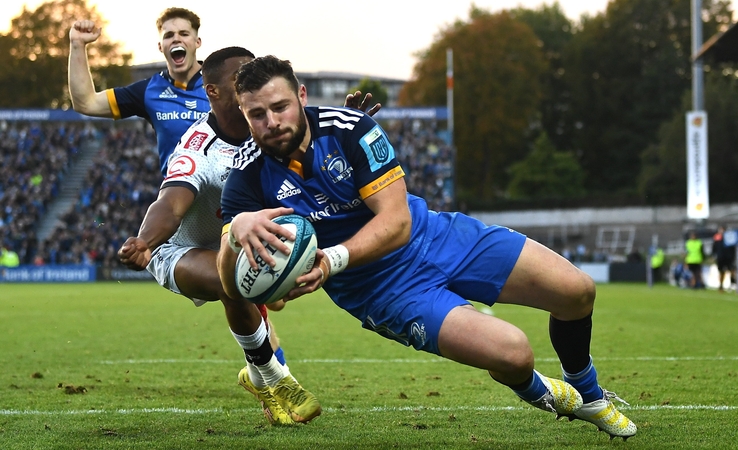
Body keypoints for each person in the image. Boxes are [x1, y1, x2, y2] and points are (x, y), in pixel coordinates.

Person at [217, 56, 637, 440]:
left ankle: (590, 392)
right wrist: (235, 230)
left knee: (577, 290)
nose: (271, 121)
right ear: (244, 114)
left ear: (301, 96)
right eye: (257, 114)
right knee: (514, 355)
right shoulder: (246, 173)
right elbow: (231, 284)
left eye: (280, 107)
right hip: (383, 292)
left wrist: (331, 261)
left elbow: (396, 223)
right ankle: (542, 391)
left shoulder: (350, 128)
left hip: (435, 237)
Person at [116, 47, 381, 424]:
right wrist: (145, 240)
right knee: (235, 282)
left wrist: (344, 130)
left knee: (262, 291)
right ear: (215, 92)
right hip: (180, 248)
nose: (251, 82)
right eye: (240, 77)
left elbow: (310, 148)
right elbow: (171, 204)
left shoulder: (267, 136)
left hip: (244, 240)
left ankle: (257, 378)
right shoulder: (199, 148)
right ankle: (275, 378)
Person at [68, 8, 207, 176]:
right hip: (179, 198)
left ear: (197, 42)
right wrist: (77, 45)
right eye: (168, 35)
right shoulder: (149, 90)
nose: (176, 39)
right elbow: (86, 103)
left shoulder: (223, 82)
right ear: (160, 46)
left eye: (184, 34)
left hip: (229, 199)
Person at [712, 225, 736, 292]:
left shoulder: (729, 238)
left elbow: (732, 248)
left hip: (728, 257)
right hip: (720, 257)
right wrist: (714, 255)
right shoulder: (717, 238)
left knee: (732, 270)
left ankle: (732, 283)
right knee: (721, 272)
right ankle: (721, 285)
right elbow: (714, 248)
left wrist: (733, 256)